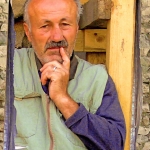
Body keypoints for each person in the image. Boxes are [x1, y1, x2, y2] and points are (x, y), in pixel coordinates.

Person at [13, 0, 126, 149]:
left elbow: (114, 145)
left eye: (65, 24)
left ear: (77, 28)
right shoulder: (9, 66)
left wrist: (63, 99)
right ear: (28, 32)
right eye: (45, 26)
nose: (57, 37)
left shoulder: (97, 78)